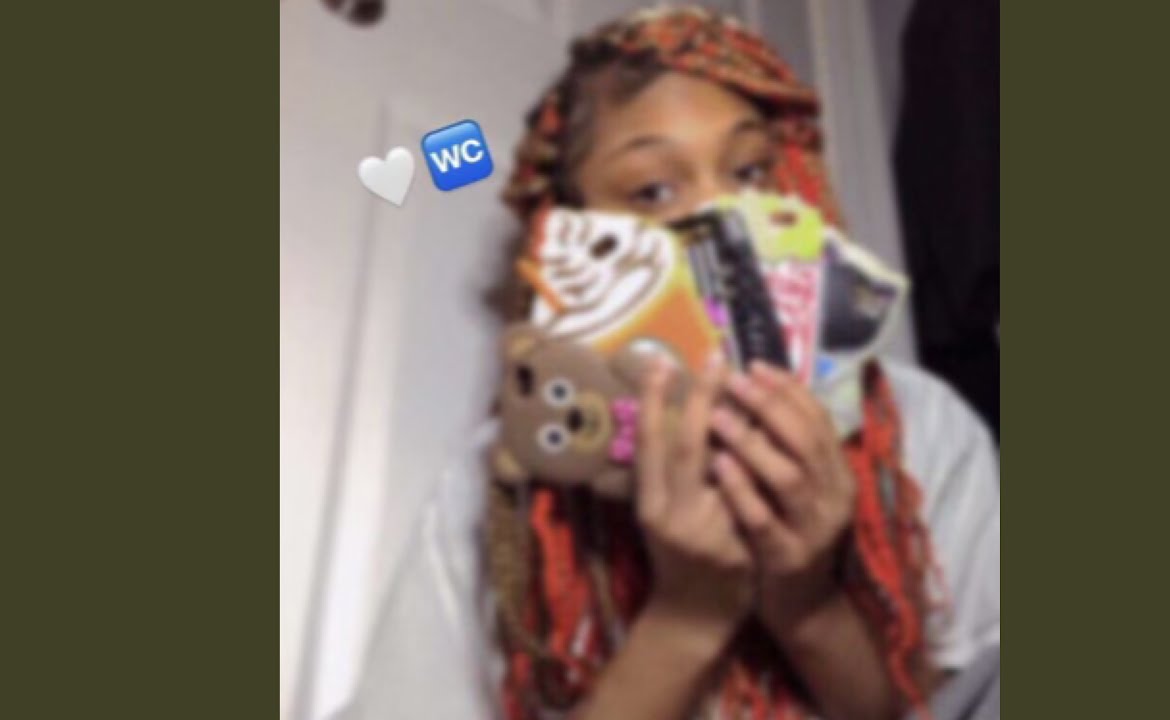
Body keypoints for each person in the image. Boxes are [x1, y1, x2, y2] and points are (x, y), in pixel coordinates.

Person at [339, 7, 998, 720]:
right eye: (653, 190)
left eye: (750, 172)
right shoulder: (495, 493)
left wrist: (808, 602)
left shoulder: (925, 434)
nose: (727, 222)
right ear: (568, 236)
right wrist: (688, 616)